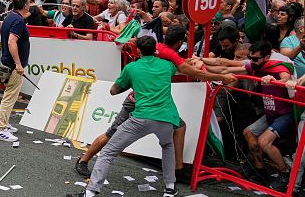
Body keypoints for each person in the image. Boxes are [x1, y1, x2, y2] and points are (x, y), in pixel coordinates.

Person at [74, 25, 237, 178]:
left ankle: (178, 169)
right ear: (180, 42)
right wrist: (222, 77)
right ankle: (84, 159)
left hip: (153, 103)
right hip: (139, 102)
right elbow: (193, 72)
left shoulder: (155, 48)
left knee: (180, 126)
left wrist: (188, 63)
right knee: (112, 134)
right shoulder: (169, 57)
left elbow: (180, 67)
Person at [67, 36, 181, 197]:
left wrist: (131, 82)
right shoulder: (167, 65)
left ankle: (89, 194)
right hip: (167, 117)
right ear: (155, 50)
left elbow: (114, 90)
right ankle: (170, 188)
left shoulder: (132, 67)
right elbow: (179, 69)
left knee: (108, 152)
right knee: (167, 146)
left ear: (138, 51)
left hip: (142, 117)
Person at [242, 40, 294, 185]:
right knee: (248, 133)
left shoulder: (277, 66)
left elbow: (286, 77)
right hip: (270, 113)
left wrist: (272, 79)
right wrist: (203, 63)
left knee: (264, 142)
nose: (252, 61)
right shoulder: (255, 65)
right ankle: (260, 172)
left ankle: (285, 173)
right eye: (250, 57)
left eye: (255, 59)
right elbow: (227, 67)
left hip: (285, 113)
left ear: (266, 57)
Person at [0, 0, 31, 142]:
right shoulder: (18, 21)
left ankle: (3, 123)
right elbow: (11, 42)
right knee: (10, 96)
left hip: (8, 61)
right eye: (29, 2)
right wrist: (18, 64)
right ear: (25, 5)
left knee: (11, 95)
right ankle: (1, 128)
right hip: (13, 64)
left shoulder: (11, 17)